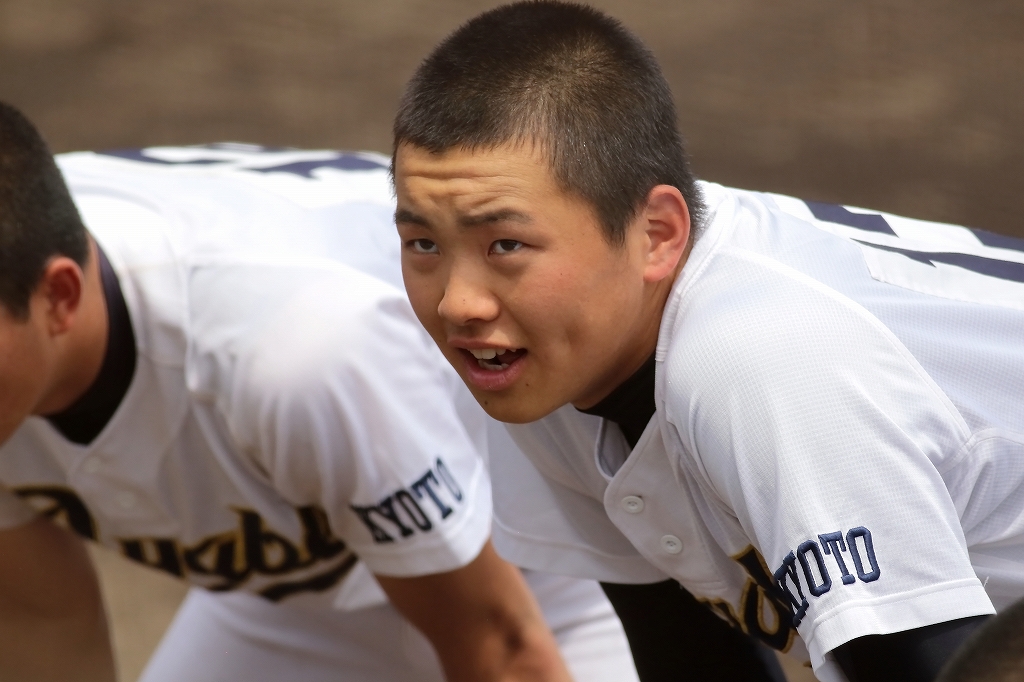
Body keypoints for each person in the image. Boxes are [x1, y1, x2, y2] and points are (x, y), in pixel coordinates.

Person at [391, 2, 1024, 681]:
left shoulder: (760, 362)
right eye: (422, 241)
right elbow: (687, 650)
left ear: (657, 234)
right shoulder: (551, 353)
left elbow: (915, 666)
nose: (459, 302)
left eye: (506, 244)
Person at [0, 101, 639, 682]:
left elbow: (500, 647)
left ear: (58, 297)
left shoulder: (293, 351)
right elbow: (42, 621)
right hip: (290, 601)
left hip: (541, 574)